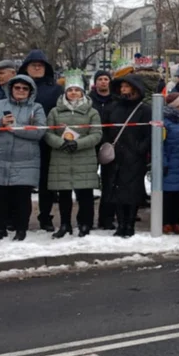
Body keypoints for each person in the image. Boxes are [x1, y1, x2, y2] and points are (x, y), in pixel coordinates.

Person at [0, 76, 47, 241]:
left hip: (25, 161)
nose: (21, 91)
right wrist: (0, 122)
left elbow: (39, 131)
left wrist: (15, 128)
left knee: (22, 198)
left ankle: (21, 229)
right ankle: (0, 229)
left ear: (31, 91)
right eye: (17, 87)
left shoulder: (36, 108)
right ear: (11, 89)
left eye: (25, 89)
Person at [42, 74, 102, 238]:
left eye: (77, 90)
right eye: (70, 90)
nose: (74, 93)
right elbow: (48, 133)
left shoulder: (92, 112)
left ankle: (85, 223)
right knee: (64, 195)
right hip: (61, 157)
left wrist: (78, 143)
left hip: (84, 157)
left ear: (83, 93)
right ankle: (64, 224)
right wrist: (61, 143)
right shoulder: (55, 112)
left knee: (85, 195)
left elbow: (96, 134)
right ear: (65, 93)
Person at [101, 75, 153, 237]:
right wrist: (107, 146)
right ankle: (121, 223)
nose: (123, 89)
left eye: (127, 86)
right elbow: (105, 129)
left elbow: (149, 133)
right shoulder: (113, 107)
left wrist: (140, 149)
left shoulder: (144, 109)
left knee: (132, 192)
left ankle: (129, 224)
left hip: (135, 157)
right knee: (116, 191)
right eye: (121, 87)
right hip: (116, 156)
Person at [18, 49, 63, 231]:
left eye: (40, 65)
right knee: (21, 182)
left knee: (47, 182)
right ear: (26, 67)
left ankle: (46, 216)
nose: (37, 68)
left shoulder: (55, 89)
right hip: (22, 141)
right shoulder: (18, 87)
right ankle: (19, 217)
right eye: (33, 65)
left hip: (46, 141)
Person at [161, 92, 179, 234]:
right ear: (176, 105)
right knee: (168, 195)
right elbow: (161, 144)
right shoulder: (165, 121)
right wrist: (164, 162)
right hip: (171, 163)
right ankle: (166, 222)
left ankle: (176, 222)